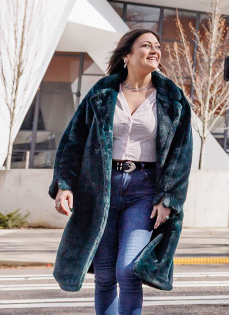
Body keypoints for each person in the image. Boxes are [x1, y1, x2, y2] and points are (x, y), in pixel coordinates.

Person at [50, 28, 193, 314]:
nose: (155, 50)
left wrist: (170, 198)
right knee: (104, 274)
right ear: (127, 55)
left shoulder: (171, 97)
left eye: (157, 45)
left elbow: (181, 152)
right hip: (100, 188)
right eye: (146, 45)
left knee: (128, 270)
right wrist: (65, 184)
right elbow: (73, 140)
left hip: (145, 189)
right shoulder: (102, 92)